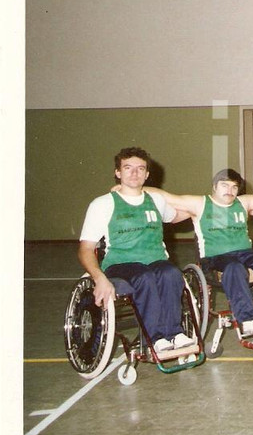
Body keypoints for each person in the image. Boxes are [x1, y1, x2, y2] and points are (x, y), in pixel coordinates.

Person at [144, 169, 253, 337]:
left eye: (234, 187)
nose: (229, 191)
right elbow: (167, 197)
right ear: (214, 187)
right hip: (214, 258)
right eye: (224, 185)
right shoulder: (200, 204)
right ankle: (248, 319)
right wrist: (138, 189)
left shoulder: (243, 203)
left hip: (244, 253)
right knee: (234, 267)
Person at [78, 146, 196, 355]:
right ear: (118, 173)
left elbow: (175, 215)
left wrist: (200, 211)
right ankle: (155, 337)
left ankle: (175, 332)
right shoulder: (102, 204)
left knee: (171, 273)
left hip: (155, 260)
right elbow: (85, 249)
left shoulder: (157, 201)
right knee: (144, 277)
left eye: (140, 169)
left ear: (147, 174)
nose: (134, 173)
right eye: (128, 168)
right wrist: (99, 278)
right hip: (121, 264)